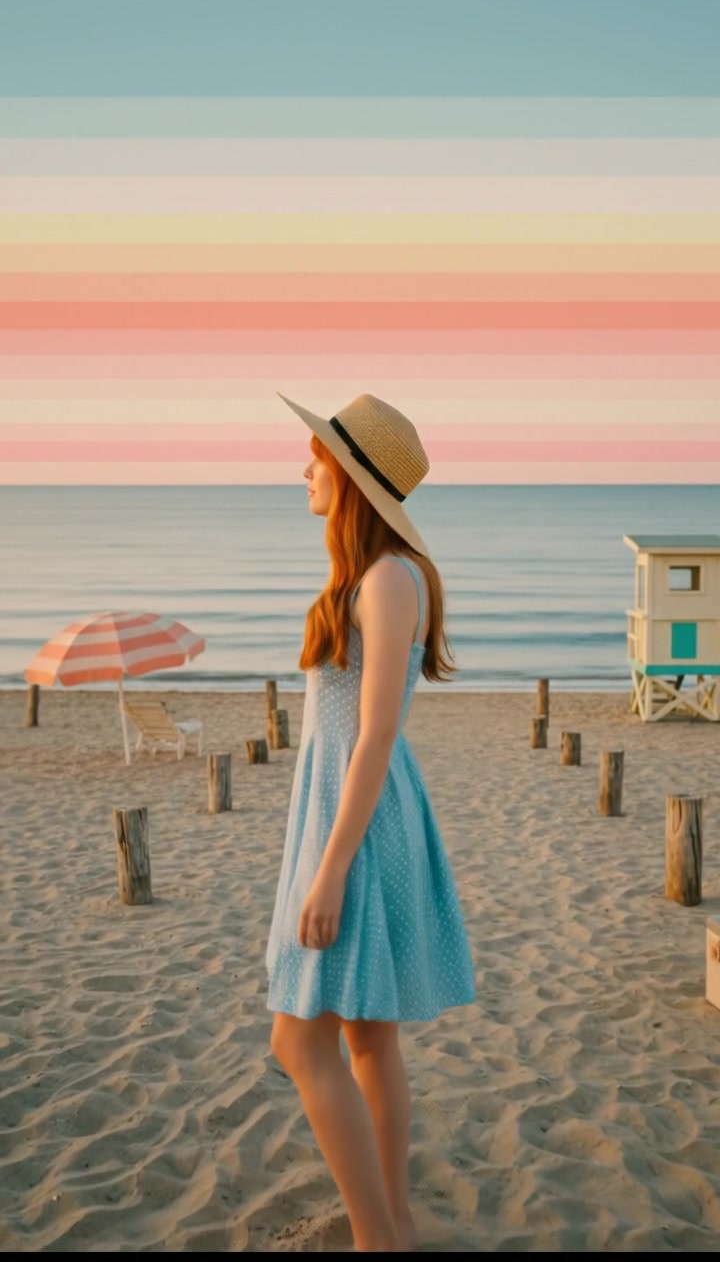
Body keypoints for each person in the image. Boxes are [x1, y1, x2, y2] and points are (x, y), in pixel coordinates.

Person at [265, 392, 476, 1252]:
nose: (305, 469)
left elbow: (378, 734)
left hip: (358, 827)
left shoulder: (388, 579)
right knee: (364, 1036)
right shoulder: (368, 575)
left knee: (299, 1041)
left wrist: (329, 871)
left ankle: (376, 1234)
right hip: (345, 817)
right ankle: (394, 1221)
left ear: (351, 478)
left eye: (317, 457)